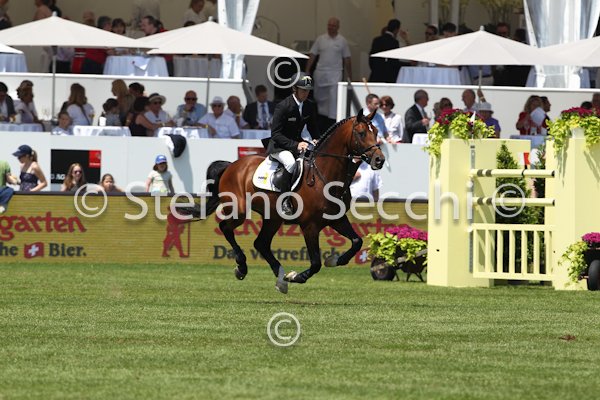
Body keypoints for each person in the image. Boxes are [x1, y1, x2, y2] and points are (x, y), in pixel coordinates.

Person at [267, 73, 319, 216]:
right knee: (290, 163)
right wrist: (296, 145)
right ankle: (284, 200)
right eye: (303, 90)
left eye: (308, 91)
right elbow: (275, 134)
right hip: (279, 146)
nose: (306, 93)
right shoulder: (283, 106)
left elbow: (313, 127)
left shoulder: (309, 105)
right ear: (294, 89)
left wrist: (316, 139)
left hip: (298, 144)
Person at [304, 17, 352, 129]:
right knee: (319, 98)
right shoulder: (320, 39)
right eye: (329, 25)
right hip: (321, 73)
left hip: (335, 73)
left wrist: (350, 76)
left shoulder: (342, 41)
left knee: (333, 98)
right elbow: (312, 54)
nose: (331, 27)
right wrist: (307, 70)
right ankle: (321, 120)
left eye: (333, 26)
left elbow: (347, 58)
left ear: (338, 27)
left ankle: (332, 123)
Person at [368, 19, 401, 83]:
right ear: (396, 30)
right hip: (388, 76)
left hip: (375, 74)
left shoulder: (376, 40)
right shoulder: (394, 42)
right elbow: (394, 62)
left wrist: (375, 69)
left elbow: (371, 58)